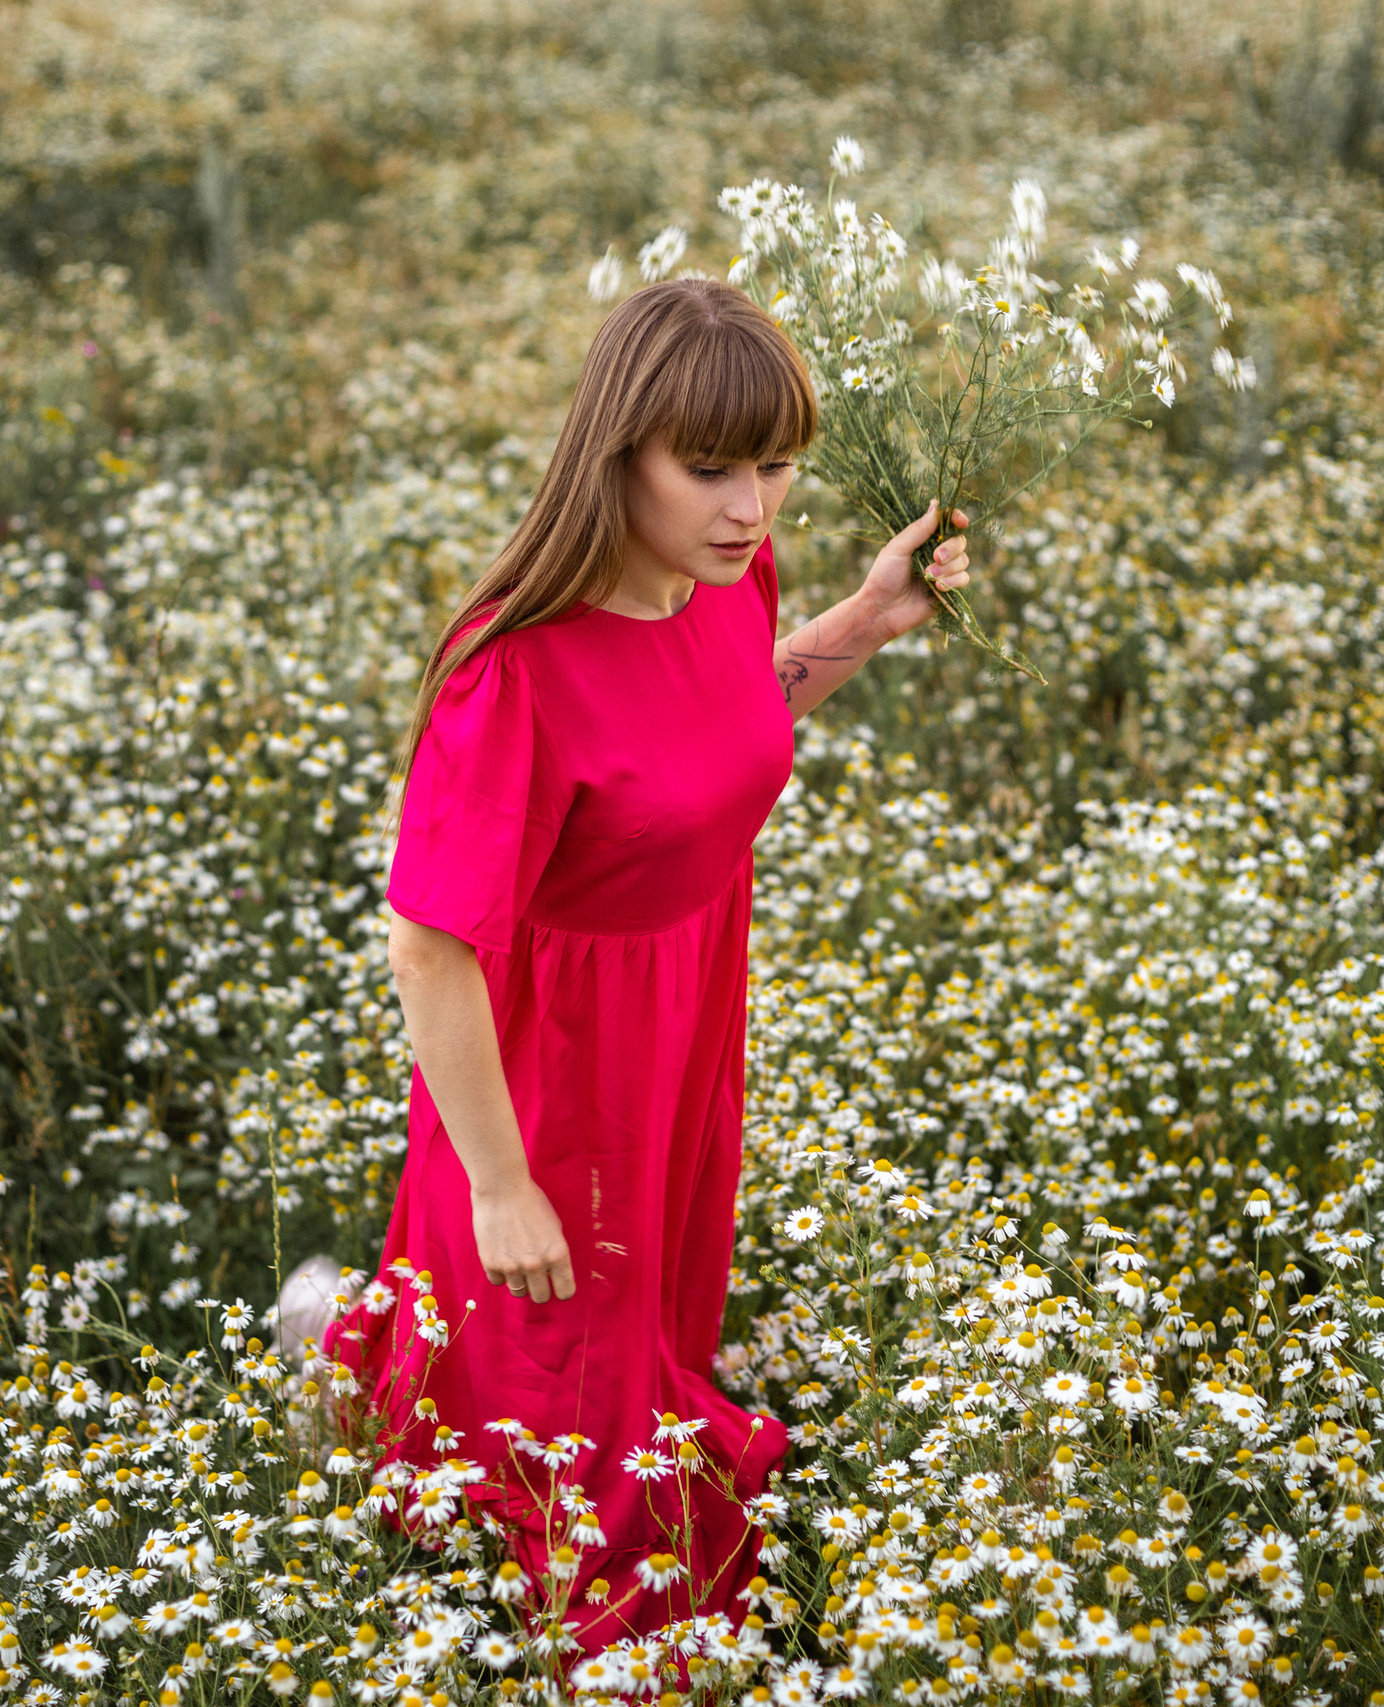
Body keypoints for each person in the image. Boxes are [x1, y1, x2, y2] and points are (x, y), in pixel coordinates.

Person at [319, 275, 977, 1655]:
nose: (754, 506)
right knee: (571, 1343)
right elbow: (430, 939)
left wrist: (865, 619)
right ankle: (592, 1598)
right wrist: (501, 1181)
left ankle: (408, 1404)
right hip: (563, 1050)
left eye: (778, 464)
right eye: (713, 466)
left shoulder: (719, 579)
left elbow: (724, 722)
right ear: (619, 451)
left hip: (685, 997)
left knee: (643, 1302)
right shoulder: (515, 668)